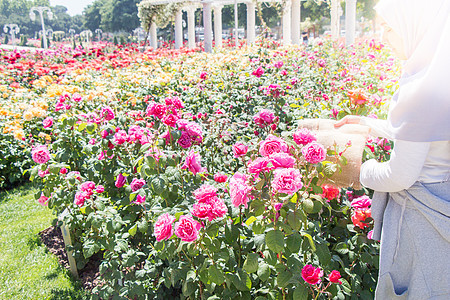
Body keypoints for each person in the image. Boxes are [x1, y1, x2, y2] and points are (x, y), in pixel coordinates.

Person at [335, 0, 450, 299]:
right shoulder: (440, 78)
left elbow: (400, 175)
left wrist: (357, 170)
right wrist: (369, 124)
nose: (383, 36)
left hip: (422, 221)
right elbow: (427, 134)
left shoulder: (423, 90)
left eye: (389, 27)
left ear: (415, 26)